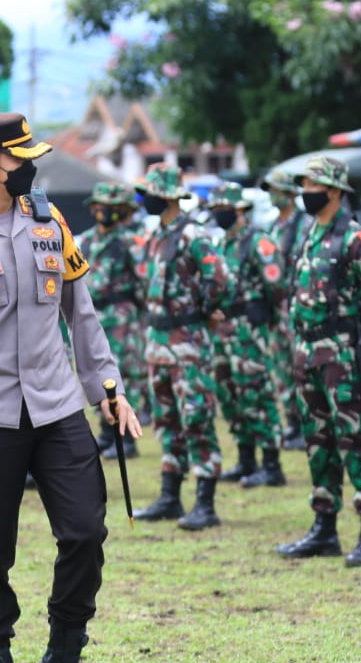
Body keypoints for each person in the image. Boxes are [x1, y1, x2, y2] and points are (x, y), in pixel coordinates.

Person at [0, 112, 140, 663]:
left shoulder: (51, 223)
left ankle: (63, 659)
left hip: (57, 404)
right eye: (20, 159)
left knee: (86, 531)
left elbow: (80, 314)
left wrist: (108, 391)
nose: (32, 167)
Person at [277, 156, 361, 566]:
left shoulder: (354, 237)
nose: (307, 191)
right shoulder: (311, 232)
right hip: (307, 352)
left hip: (342, 352)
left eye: (314, 184)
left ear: (336, 191)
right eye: (304, 184)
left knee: (355, 439)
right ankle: (324, 527)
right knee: (318, 440)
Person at [129, 163, 231, 531]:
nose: (145, 200)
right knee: (167, 420)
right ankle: (170, 496)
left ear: (168, 195)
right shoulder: (157, 234)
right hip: (157, 342)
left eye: (150, 193)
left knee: (197, 418)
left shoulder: (193, 234)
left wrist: (203, 310)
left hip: (187, 342)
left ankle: (205, 502)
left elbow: (219, 277)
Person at [207, 182, 286, 488]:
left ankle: (271, 464)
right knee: (230, 395)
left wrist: (271, 324)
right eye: (216, 210)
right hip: (224, 331)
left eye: (224, 209)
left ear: (240, 210)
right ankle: (246, 459)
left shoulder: (258, 242)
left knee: (256, 393)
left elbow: (276, 287)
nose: (220, 215)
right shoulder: (223, 243)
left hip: (249, 331)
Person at [75, 181, 145, 459]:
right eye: (101, 207)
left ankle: (126, 439)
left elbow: (143, 279)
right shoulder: (88, 240)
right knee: (96, 375)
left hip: (122, 319)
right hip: (95, 319)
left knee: (123, 376)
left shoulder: (129, 242)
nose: (105, 212)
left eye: (112, 208)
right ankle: (107, 434)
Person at [260, 169, 310, 451]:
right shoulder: (272, 227)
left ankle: (305, 423)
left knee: (299, 367)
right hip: (276, 309)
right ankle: (291, 422)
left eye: (277, 189)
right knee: (281, 368)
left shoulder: (304, 225)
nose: (273, 195)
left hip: (297, 307)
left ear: (291, 193)